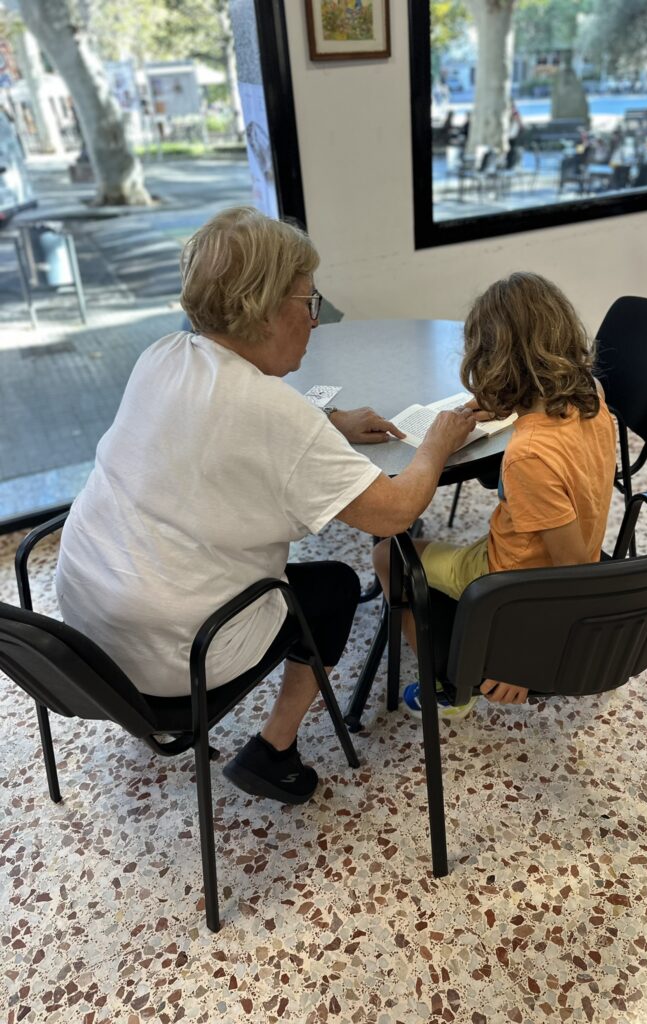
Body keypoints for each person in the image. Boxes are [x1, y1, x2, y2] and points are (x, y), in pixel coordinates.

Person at [55, 206, 478, 805]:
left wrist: (328, 422)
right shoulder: (275, 415)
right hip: (176, 657)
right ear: (263, 308)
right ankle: (274, 750)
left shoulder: (164, 355)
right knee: (332, 588)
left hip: (86, 632)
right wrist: (436, 441)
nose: (315, 319)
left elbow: (222, 425)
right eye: (308, 302)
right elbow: (394, 514)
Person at [373, 271, 617, 719]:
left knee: (387, 554)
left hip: (508, 580)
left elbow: (572, 573)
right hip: (568, 547)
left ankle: (449, 686)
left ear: (491, 361)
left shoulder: (528, 456)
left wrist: (525, 658)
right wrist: (507, 403)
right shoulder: (593, 395)